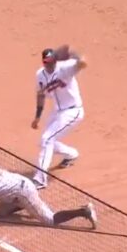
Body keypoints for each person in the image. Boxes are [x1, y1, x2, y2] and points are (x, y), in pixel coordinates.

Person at [0, 151, 97, 233]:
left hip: (24, 191)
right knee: (1, 214)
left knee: (50, 220)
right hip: (16, 189)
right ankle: (22, 205)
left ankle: (84, 211)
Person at [31, 45, 87, 189]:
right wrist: (37, 116)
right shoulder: (40, 75)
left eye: (52, 61)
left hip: (73, 111)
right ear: (43, 62)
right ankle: (71, 155)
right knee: (44, 141)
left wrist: (72, 53)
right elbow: (41, 95)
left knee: (47, 139)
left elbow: (83, 63)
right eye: (47, 62)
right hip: (57, 111)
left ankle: (40, 179)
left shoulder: (65, 68)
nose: (50, 64)